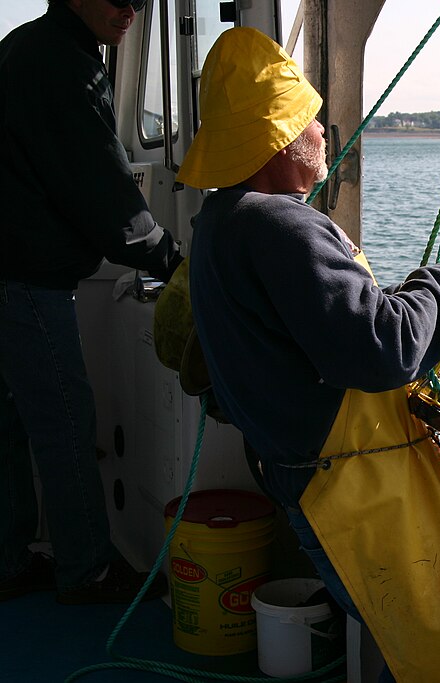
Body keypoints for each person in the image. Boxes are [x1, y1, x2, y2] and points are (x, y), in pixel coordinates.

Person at [178, 27, 440, 682]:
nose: (323, 132)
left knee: (386, 639)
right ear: (281, 139)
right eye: (311, 120)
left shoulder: (219, 228)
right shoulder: (281, 224)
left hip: (300, 478)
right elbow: (385, 347)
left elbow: (313, 333)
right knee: (436, 651)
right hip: (351, 492)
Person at [0, 0, 181, 604]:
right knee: (62, 422)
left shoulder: (29, 48)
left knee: (8, 423)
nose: (129, 7)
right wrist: (172, 262)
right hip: (23, 278)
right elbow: (108, 199)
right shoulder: (62, 67)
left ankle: (6, 560)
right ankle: (88, 572)